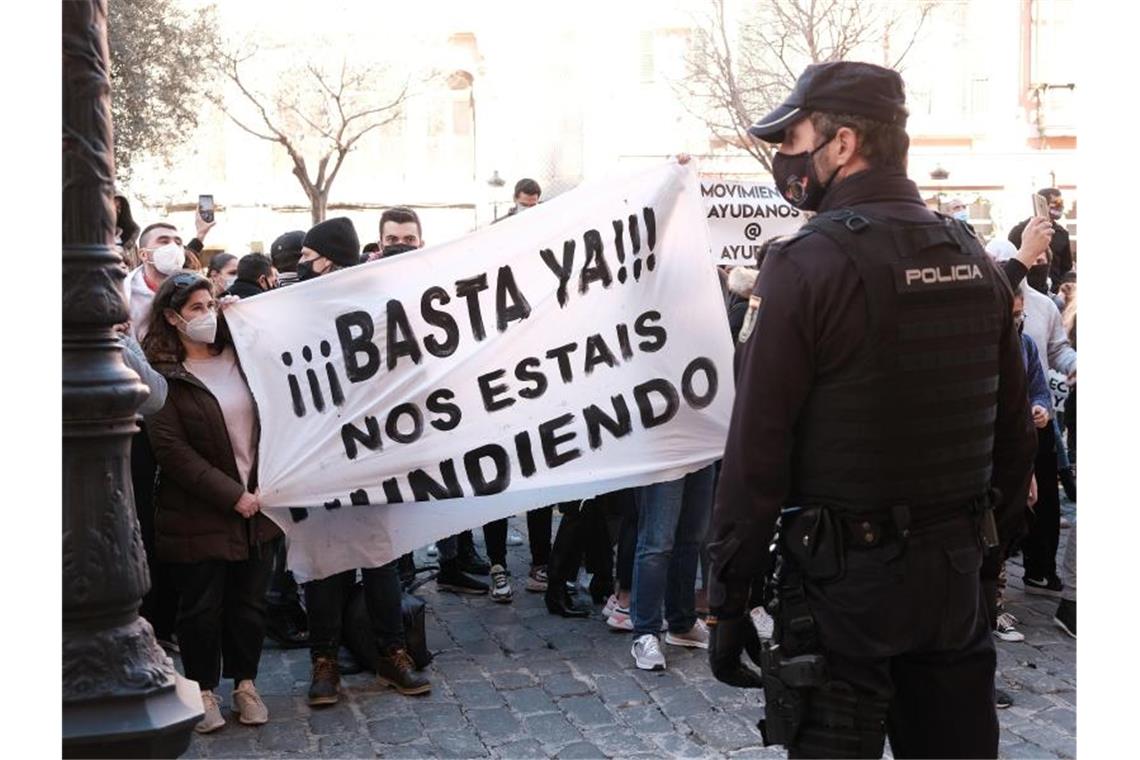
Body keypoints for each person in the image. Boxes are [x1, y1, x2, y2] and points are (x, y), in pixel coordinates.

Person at [705, 61, 1036, 758]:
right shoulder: (971, 255)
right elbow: (1012, 438)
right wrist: (982, 562)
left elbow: (756, 453)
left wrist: (728, 601)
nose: (785, 158)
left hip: (844, 593)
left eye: (793, 139)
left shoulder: (804, 266)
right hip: (952, 582)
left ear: (844, 144)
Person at [294, 216, 431, 703]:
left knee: (379, 560)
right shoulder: (294, 308)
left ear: (327, 259)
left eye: (307, 257)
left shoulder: (374, 304)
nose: (300, 266)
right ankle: (324, 661)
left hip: (371, 452)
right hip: (318, 459)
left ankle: (391, 654)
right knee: (325, 564)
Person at [142, 272, 281, 734]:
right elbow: (173, 452)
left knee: (250, 604)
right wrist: (232, 496)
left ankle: (246, 684)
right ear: (171, 317)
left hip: (260, 505)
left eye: (212, 303)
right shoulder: (163, 375)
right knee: (201, 608)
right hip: (200, 511)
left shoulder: (243, 358)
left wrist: (250, 319)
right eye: (196, 308)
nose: (207, 314)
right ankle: (203, 689)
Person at [628, 465, 716, 670]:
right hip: (663, 450)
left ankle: (682, 623)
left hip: (699, 449)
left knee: (691, 537)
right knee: (656, 543)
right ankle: (645, 632)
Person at [1008, 188, 1073, 292]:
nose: (1060, 206)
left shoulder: (1062, 234)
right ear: (1042, 204)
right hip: (1025, 290)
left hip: (1053, 292)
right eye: (1056, 203)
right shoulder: (1020, 231)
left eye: (1061, 203)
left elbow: (1066, 267)